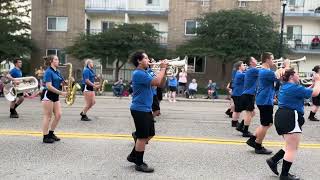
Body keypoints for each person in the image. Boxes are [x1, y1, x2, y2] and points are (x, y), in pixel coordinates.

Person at [266, 68, 320, 180]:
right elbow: (315, 93)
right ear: (291, 76)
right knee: (292, 148)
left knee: (289, 145)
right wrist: (318, 80)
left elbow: (303, 92)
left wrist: (312, 85)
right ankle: (284, 175)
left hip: (282, 115)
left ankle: (273, 160)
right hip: (290, 117)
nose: (299, 76)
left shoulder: (286, 86)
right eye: (297, 74)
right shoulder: (293, 87)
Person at [126, 51, 168, 173]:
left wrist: (163, 71)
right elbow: (156, 82)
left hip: (146, 108)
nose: (148, 60)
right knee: (143, 137)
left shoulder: (145, 72)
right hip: (139, 109)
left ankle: (133, 155)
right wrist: (163, 68)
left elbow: (159, 84)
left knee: (150, 134)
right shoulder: (138, 73)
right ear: (139, 61)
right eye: (146, 58)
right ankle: (139, 163)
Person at [246, 52, 281, 154]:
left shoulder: (265, 71)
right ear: (267, 60)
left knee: (267, 123)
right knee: (266, 124)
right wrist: (284, 67)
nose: (274, 61)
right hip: (265, 101)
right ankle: (258, 145)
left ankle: (253, 139)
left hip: (265, 99)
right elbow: (279, 77)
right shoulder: (266, 72)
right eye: (272, 59)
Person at [41, 55, 67, 143]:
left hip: (55, 95)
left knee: (58, 115)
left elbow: (62, 82)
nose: (58, 61)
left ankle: (51, 133)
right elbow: (48, 86)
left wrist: (67, 83)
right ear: (52, 61)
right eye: (56, 59)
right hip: (48, 95)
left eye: (58, 59)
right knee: (48, 116)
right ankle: (45, 136)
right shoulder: (48, 71)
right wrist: (61, 93)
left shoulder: (58, 71)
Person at [237, 57, 258, 137]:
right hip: (249, 95)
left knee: (252, 113)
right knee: (249, 113)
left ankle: (241, 126)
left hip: (248, 94)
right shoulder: (253, 70)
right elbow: (265, 72)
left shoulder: (250, 69)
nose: (256, 61)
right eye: (255, 60)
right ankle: (245, 131)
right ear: (251, 62)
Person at [231, 61, 245, 127]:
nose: (244, 66)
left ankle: (235, 121)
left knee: (238, 110)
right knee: (237, 110)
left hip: (238, 94)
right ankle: (234, 122)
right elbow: (248, 75)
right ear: (239, 67)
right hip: (237, 94)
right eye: (243, 65)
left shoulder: (239, 73)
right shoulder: (240, 74)